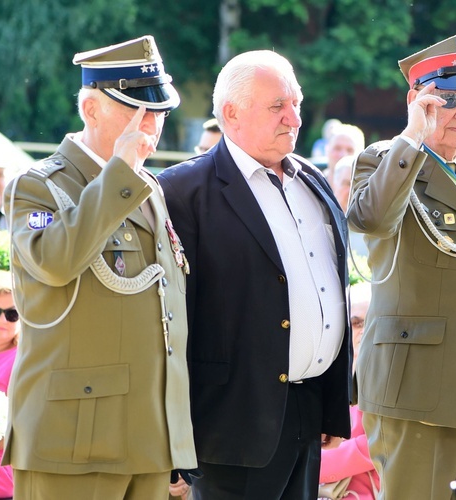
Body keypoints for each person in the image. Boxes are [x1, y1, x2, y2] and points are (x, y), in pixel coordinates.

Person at [2, 35, 197, 499]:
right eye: (138, 111)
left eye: (159, 112)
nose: (152, 125)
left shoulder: (147, 186)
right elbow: (55, 262)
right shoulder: (38, 185)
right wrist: (120, 176)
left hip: (147, 436)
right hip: (73, 438)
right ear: (91, 110)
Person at [157, 49, 352, 500]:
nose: (294, 118)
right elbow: (165, 325)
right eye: (277, 106)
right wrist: (172, 442)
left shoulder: (312, 182)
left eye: (297, 103)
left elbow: (327, 289)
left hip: (306, 411)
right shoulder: (181, 191)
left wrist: (329, 407)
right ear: (231, 113)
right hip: (230, 427)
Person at [346, 33, 456, 499]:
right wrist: (411, 138)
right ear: (416, 101)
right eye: (447, 100)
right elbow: (371, 219)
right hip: (415, 388)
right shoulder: (386, 160)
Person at [319, 282, 379, 499]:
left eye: (371, 321)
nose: (364, 331)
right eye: (356, 323)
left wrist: (317, 463)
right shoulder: (325, 373)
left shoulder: (387, 378)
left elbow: (378, 444)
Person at [0, 270, 18, 499]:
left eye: (12, 314)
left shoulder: (23, 361)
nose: (2, 320)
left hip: (2, 486)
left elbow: (10, 434)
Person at [325, 123, 365, 190]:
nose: (343, 155)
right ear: (327, 150)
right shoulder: (312, 184)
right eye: (337, 148)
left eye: (350, 150)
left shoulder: (366, 192)